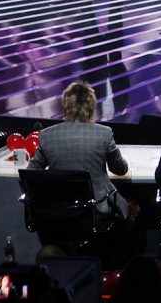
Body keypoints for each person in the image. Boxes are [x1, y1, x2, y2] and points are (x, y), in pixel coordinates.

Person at [28, 79, 129, 218]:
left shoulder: (46, 135)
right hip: (97, 210)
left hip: (59, 211)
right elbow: (120, 169)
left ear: (65, 106)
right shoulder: (104, 133)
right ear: (92, 107)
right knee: (131, 208)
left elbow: (31, 173)